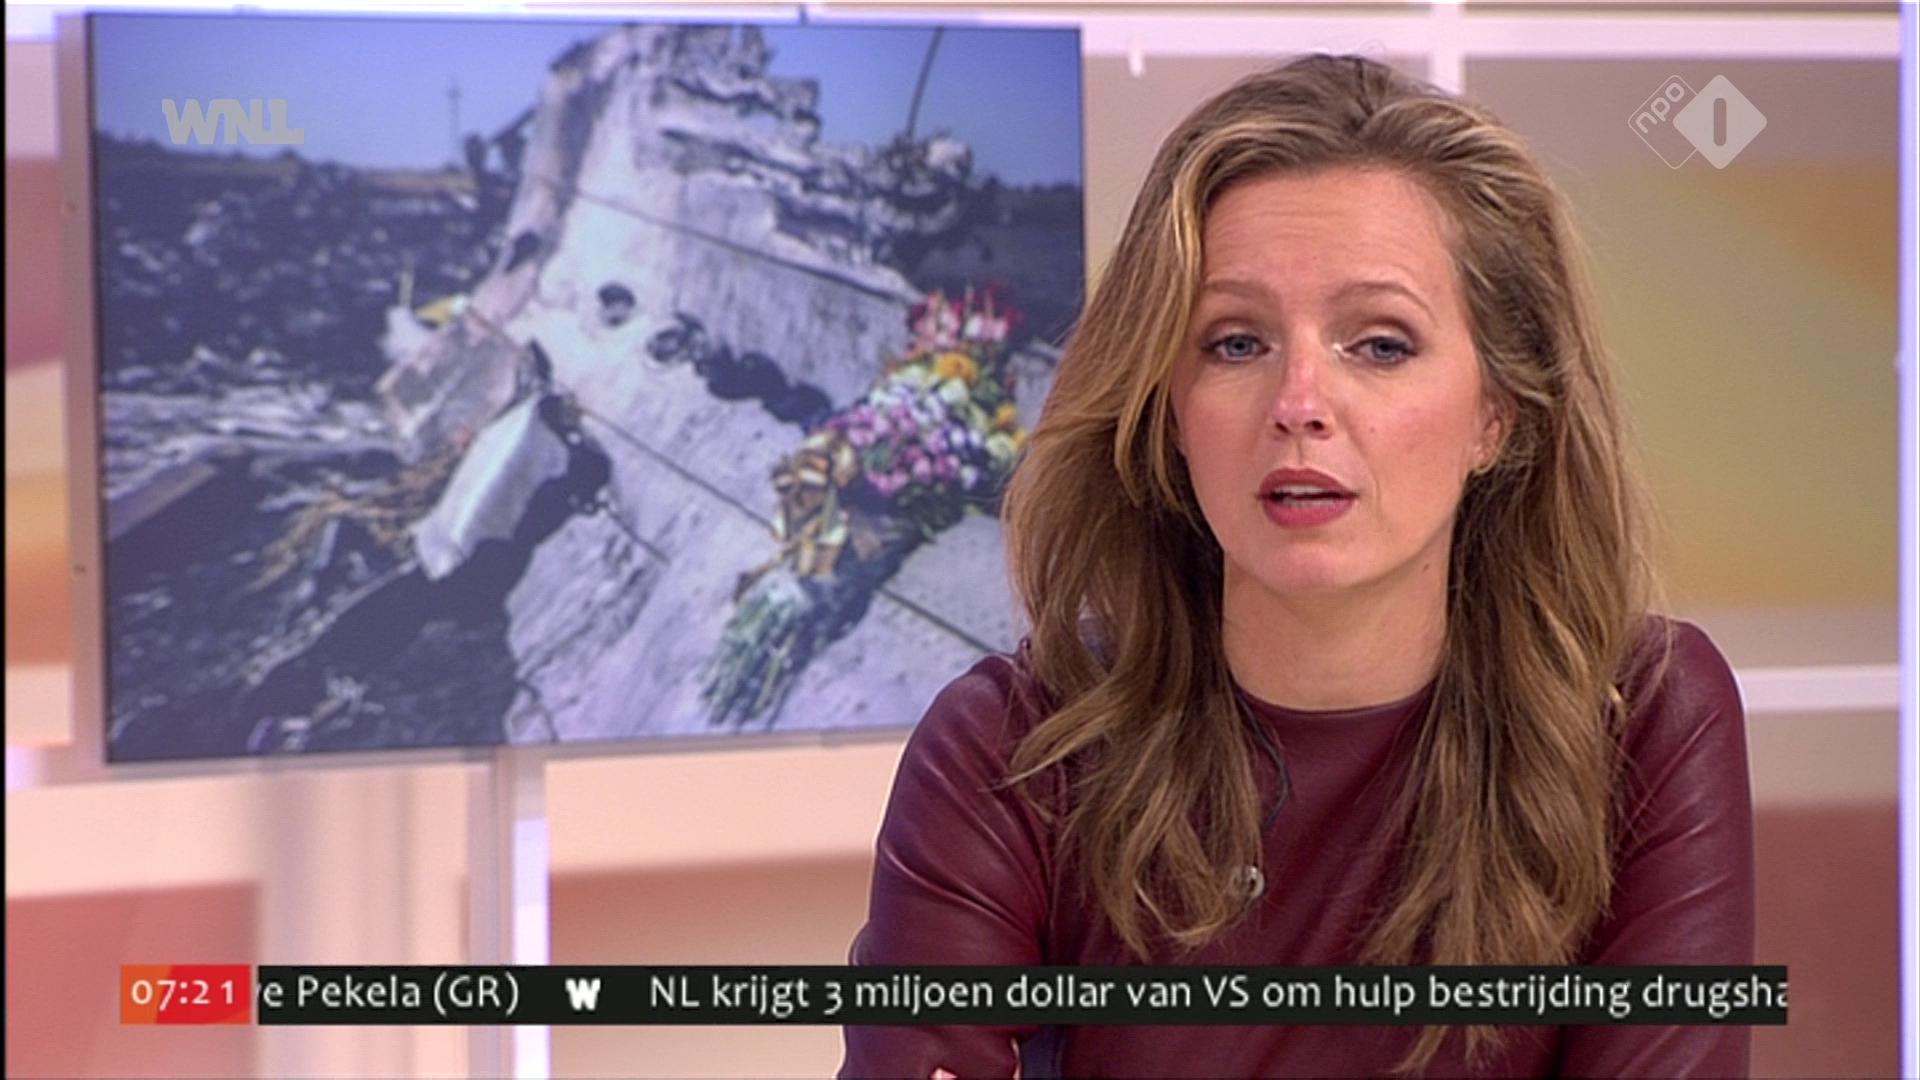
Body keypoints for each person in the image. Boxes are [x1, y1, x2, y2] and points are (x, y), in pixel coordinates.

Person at [839, 54, 1753, 1079]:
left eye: (1381, 345)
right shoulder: (1009, 745)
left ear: (1496, 413)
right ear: (1168, 408)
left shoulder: (1643, 718)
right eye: (1236, 344)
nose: (1300, 404)